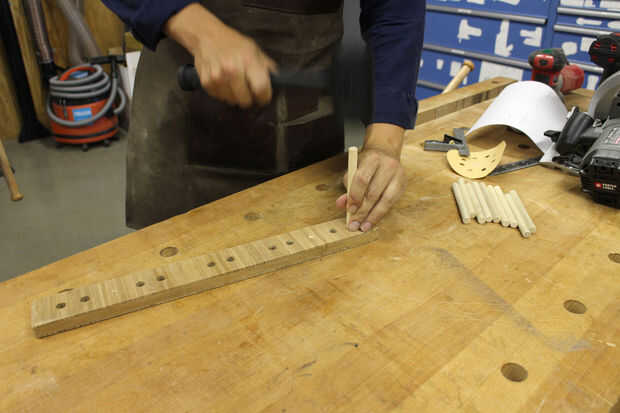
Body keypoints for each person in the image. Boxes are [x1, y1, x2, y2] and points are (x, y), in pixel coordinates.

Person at [102, 0, 425, 231]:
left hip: (310, 132)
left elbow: (396, 8)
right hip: (185, 110)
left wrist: (384, 143)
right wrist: (199, 30)